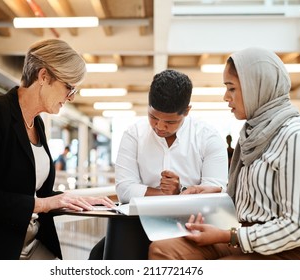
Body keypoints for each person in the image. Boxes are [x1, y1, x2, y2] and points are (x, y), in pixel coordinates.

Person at [0, 38, 114, 260]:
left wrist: (76, 199)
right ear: (43, 76)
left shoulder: (36, 123)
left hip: (26, 242)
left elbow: (36, 194)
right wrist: (42, 204)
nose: (71, 97)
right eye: (69, 87)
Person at [148, 47, 300, 260]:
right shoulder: (252, 134)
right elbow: (258, 203)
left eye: (231, 88)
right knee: (162, 250)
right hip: (244, 233)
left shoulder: (297, 137)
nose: (225, 97)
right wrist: (218, 194)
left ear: (256, 87)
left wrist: (227, 235)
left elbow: (298, 227)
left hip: (294, 246)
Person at [89, 69, 228, 259]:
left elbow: (215, 193)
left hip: (189, 224)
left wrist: (180, 191)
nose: (160, 127)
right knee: (106, 248)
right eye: (153, 117)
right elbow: (125, 189)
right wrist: (165, 194)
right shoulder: (134, 134)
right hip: (138, 223)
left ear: (187, 111)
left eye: (170, 122)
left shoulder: (208, 138)